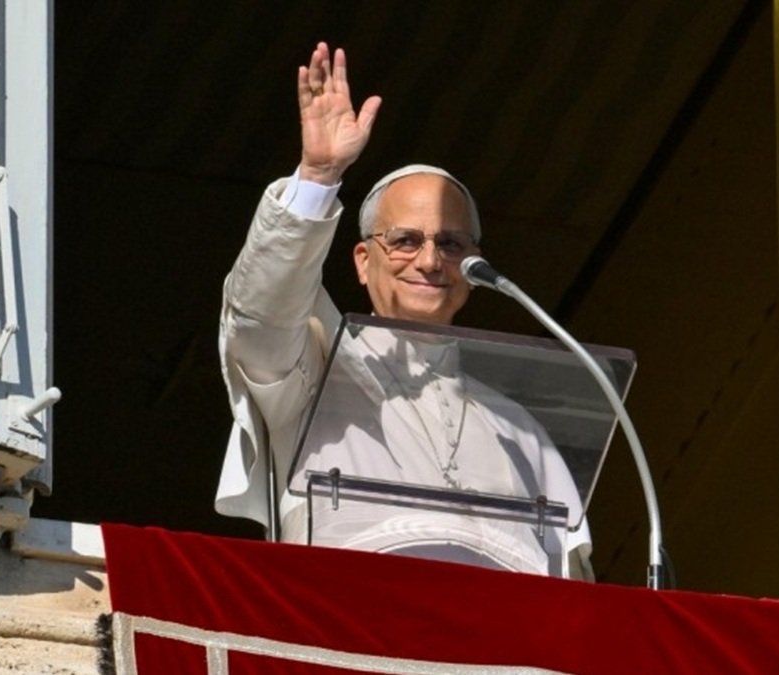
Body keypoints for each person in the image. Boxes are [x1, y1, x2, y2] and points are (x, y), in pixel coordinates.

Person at [215, 42, 592, 578]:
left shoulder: (520, 427)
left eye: (452, 244)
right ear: (363, 261)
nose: (431, 260)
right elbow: (260, 319)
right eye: (406, 240)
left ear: (475, 266)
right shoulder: (312, 376)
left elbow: (569, 587)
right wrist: (318, 177)